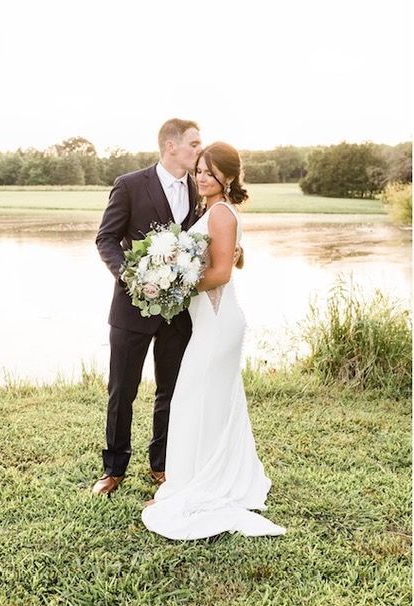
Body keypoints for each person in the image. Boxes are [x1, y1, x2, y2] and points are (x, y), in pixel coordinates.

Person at [142, 142, 286, 539]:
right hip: (208, 323)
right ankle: (195, 479)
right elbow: (230, 258)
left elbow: (221, 273)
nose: (200, 177)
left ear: (227, 176)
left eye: (208, 172)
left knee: (194, 399)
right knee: (206, 401)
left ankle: (197, 486)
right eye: (198, 170)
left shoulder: (220, 212)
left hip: (219, 323)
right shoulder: (212, 211)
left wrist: (171, 283)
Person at [93, 119, 202, 494]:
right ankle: (114, 468)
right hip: (132, 308)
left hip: (177, 311)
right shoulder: (129, 184)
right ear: (170, 146)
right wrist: (132, 276)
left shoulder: (198, 189)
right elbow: (105, 238)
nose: (197, 151)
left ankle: (162, 464)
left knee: (170, 389)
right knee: (122, 388)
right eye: (193, 144)